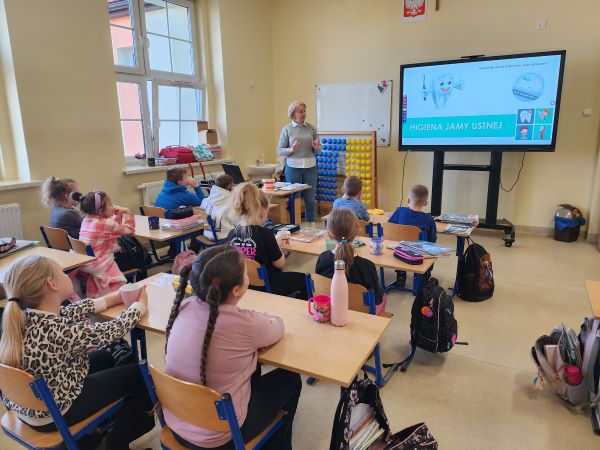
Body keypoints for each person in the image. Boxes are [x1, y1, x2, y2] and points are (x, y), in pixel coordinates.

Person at [0, 255, 154, 450]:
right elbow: (112, 330)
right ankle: (115, 443)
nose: (66, 275)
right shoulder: (58, 330)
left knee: (110, 356)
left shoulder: (23, 315)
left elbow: (70, 312)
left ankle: (96, 433)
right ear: (51, 284)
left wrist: (111, 299)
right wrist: (140, 305)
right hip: (56, 412)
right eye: (62, 272)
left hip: (31, 408)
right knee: (142, 374)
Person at [165, 246, 302, 449]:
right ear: (236, 290)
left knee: (251, 369)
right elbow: (278, 326)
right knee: (291, 378)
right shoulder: (245, 324)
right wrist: (251, 334)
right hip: (222, 437)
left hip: (177, 423)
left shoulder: (184, 306)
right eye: (246, 273)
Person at [227, 183, 308, 299]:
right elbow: (280, 263)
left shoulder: (231, 234)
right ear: (261, 211)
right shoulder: (265, 234)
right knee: (305, 279)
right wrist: (278, 245)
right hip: (268, 285)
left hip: (244, 283)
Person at [316, 208, 386, 315]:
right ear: (356, 232)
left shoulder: (322, 258)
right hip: (360, 316)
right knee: (384, 297)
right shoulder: (367, 266)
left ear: (329, 233)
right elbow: (377, 299)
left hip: (329, 312)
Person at [77, 191, 143, 297]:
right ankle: (137, 291)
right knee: (140, 259)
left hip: (86, 262)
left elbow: (109, 226)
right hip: (99, 264)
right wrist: (127, 211)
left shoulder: (86, 220)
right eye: (110, 205)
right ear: (99, 211)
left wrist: (116, 215)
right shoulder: (107, 223)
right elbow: (130, 230)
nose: (112, 207)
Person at [277, 100, 321, 226]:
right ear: (293, 114)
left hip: (310, 167)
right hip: (293, 167)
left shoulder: (311, 128)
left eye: (304, 111)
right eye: (300, 111)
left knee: (310, 198)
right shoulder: (287, 129)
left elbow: (318, 149)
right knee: (295, 198)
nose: (304, 114)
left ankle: (311, 226)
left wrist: (316, 147)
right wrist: (291, 149)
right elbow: (280, 150)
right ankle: (295, 226)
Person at [388, 184, 436, 287]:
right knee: (431, 249)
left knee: (401, 244)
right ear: (426, 203)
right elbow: (432, 239)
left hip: (400, 251)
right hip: (419, 253)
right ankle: (424, 278)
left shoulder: (399, 211)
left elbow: (390, 227)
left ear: (408, 200)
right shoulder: (428, 219)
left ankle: (401, 277)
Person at [200, 174, 238, 241]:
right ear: (230, 186)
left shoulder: (206, 200)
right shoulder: (231, 202)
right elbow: (236, 222)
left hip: (207, 233)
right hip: (223, 236)